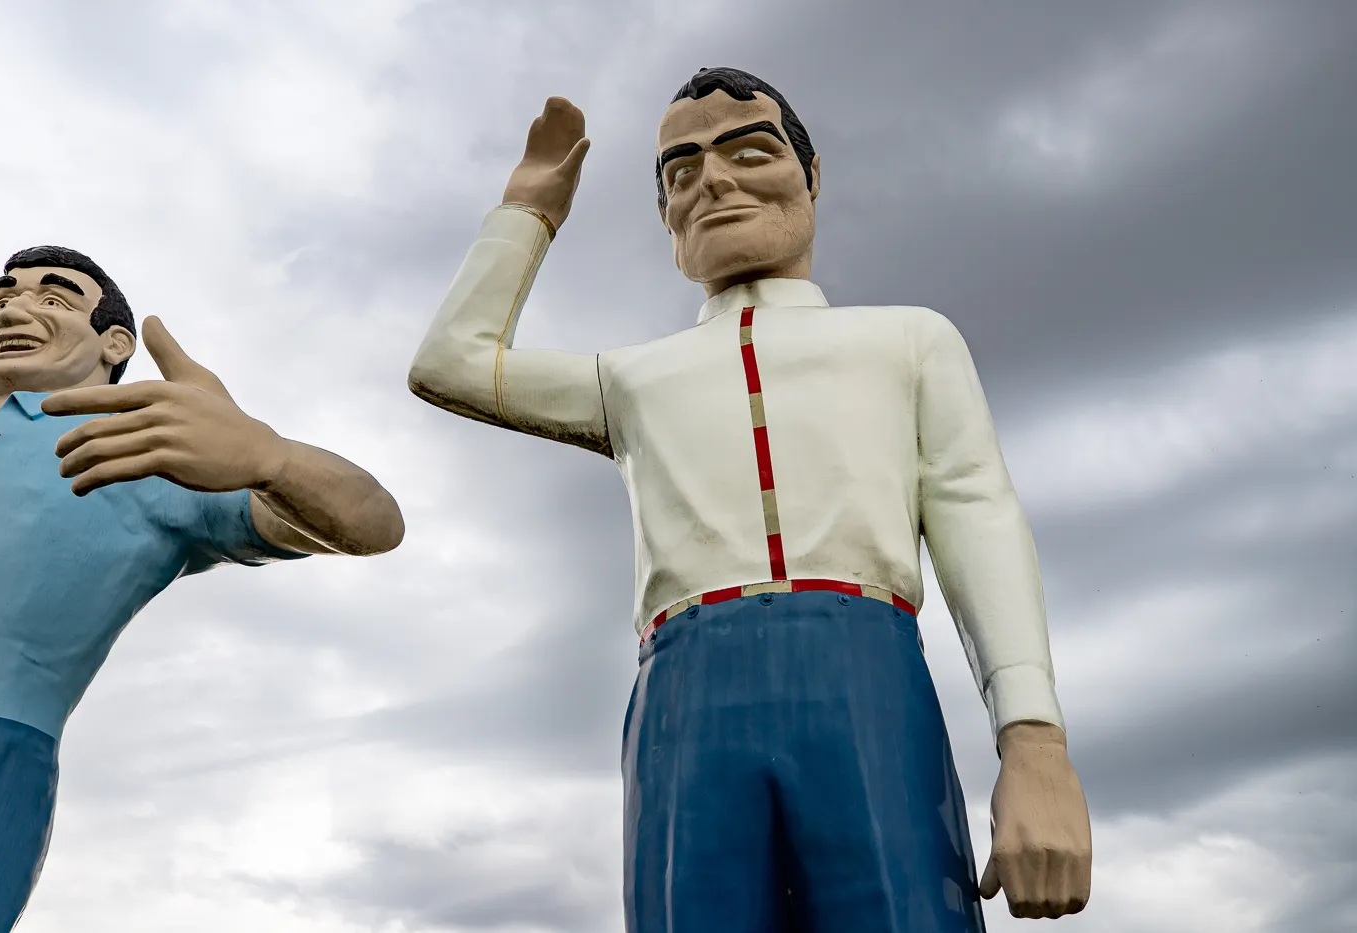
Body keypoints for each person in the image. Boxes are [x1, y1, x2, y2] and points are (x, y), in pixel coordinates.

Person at [407, 67, 1090, 931]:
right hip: (684, 697)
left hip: (866, 676)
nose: (713, 180)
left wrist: (1034, 743)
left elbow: (977, 511)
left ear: (811, 176)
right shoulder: (631, 378)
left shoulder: (908, 340)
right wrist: (527, 214)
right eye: (680, 171)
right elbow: (451, 363)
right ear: (665, 216)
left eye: (750, 151)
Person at [0, 245, 405, 931]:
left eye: (53, 299)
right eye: (3, 298)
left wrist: (267, 456)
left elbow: (373, 519)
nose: (14, 308)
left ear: (115, 343)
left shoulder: (148, 454)